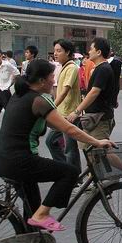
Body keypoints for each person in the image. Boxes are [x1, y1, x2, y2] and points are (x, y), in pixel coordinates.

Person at [0, 59, 115, 233]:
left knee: (33, 208)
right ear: (42, 80)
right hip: (20, 161)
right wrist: (97, 141)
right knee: (70, 172)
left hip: (4, 161)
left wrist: (74, 126)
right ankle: (42, 215)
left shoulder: (19, 95)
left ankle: (32, 241)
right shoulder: (39, 101)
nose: (54, 81)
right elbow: (68, 129)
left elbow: (57, 124)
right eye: (52, 77)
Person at [45, 39, 82, 170]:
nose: (55, 53)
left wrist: (51, 107)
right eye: (54, 51)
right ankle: (64, 168)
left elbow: (65, 91)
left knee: (70, 148)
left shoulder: (72, 67)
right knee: (50, 141)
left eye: (59, 51)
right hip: (61, 114)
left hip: (69, 115)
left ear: (68, 52)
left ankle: (73, 174)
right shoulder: (63, 67)